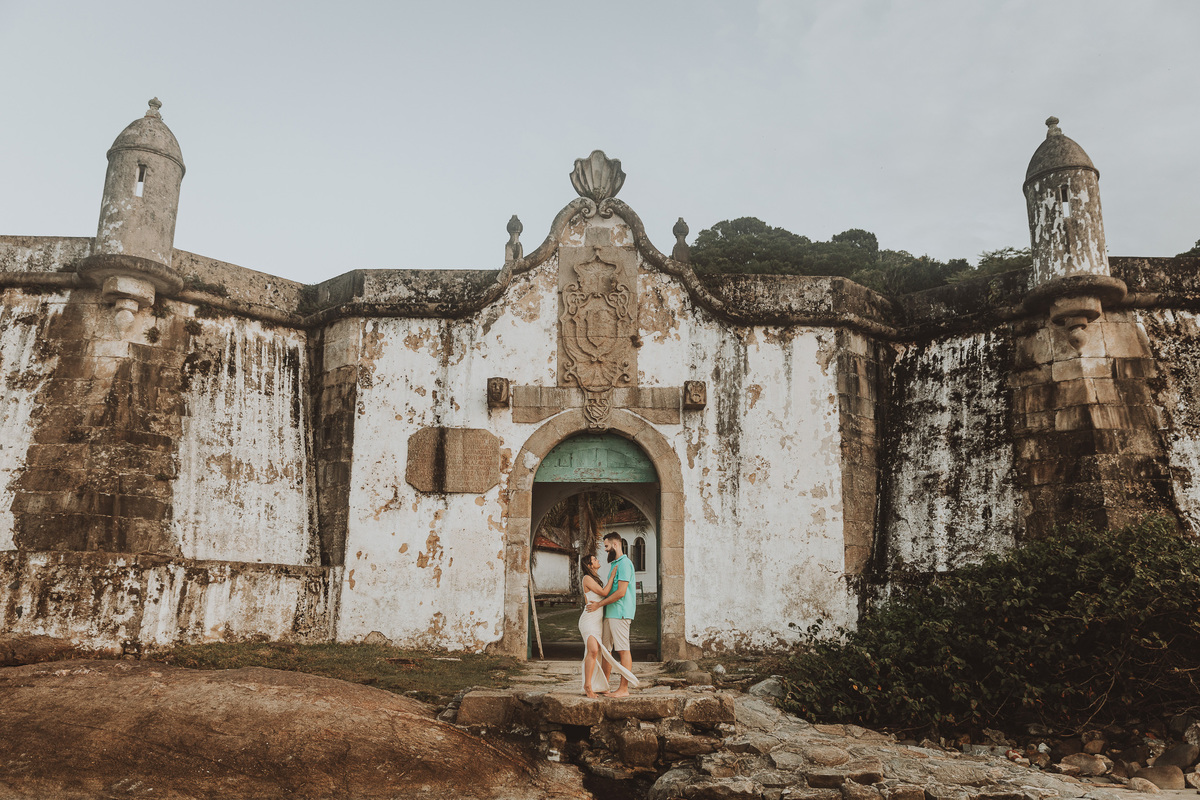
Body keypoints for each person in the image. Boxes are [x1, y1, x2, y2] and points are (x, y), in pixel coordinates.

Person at [577, 553, 638, 697]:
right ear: (589, 565)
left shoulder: (595, 579)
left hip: (597, 621)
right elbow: (605, 592)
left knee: (596, 652)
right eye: (594, 559)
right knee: (592, 650)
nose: (598, 560)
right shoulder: (587, 578)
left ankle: (601, 685)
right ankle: (588, 687)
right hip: (589, 619)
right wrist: (612, 577)